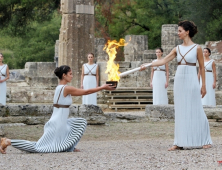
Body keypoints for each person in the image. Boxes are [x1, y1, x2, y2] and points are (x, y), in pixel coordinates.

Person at [0, 65, 114, 154]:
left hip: (61, 122)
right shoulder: (66, 88)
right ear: (64, 75)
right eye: (70, 74)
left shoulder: (61, 88)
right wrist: (103, 87)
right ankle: (8, 141)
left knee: (81, 122)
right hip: (57, 123)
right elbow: (86, 92)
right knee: (40, 148)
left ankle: (69, 147)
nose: (72, 76)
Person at [140, 20, 212, 150]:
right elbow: (162, 61)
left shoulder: (197, 48)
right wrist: (147, 65)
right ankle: (179, 142)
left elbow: (201, 67)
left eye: (180, 31)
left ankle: (204, 139)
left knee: (196, 109)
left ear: (187, 32)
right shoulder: (177, 49)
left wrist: (203, 85)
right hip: (180, 80)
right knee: (180, 110)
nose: (177, 33)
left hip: (192, 80)